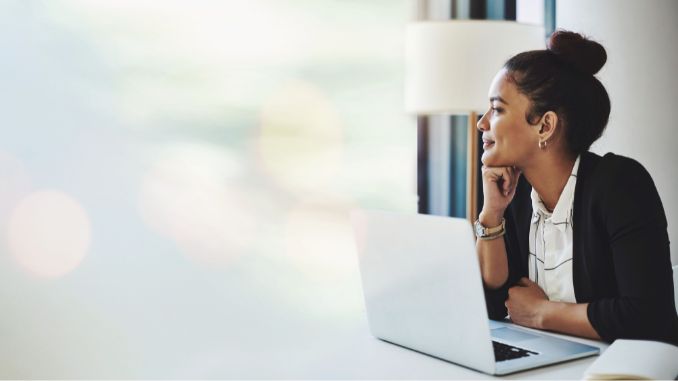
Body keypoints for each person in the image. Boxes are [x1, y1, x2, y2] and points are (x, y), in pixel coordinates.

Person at [475, 29, 678, 345]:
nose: (482, 122)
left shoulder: (621, 184)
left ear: (545, 125)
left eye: (498, 109)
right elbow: (490, 303)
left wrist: (543, 312)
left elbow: (649, 318)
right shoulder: (515, 197)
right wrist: (492, 214)